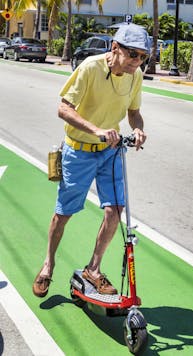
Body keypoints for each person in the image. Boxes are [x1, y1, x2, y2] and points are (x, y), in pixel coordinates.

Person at [33, 23, 150, 298]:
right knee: (64, 213)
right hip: (79, 150)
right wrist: (96, 130)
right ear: (115, 48)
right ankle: (49, 264)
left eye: (143, 56)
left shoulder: (136, 76)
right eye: (133, 54)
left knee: (116, 209)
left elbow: (134, 112)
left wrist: (138, 129)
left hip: (110, 151)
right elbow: (63, 108)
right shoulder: (90, 67)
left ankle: (93, 270)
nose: (138, 61)